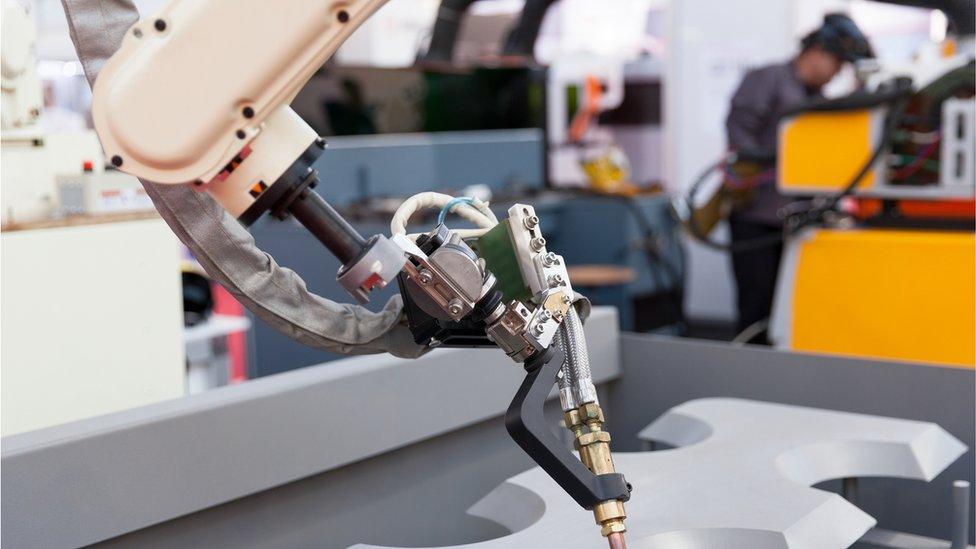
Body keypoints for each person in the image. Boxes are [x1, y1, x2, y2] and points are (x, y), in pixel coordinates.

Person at [725, 13, 873, 342]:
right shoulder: (768, 79)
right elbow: (740, 135)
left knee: (786, 309)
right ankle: (746, 372)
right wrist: (780, 163)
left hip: (794, 221)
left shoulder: (818, 99)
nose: (838, 72)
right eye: (837, 63)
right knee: (756, 306)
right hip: (756, 218)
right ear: (817, 51)